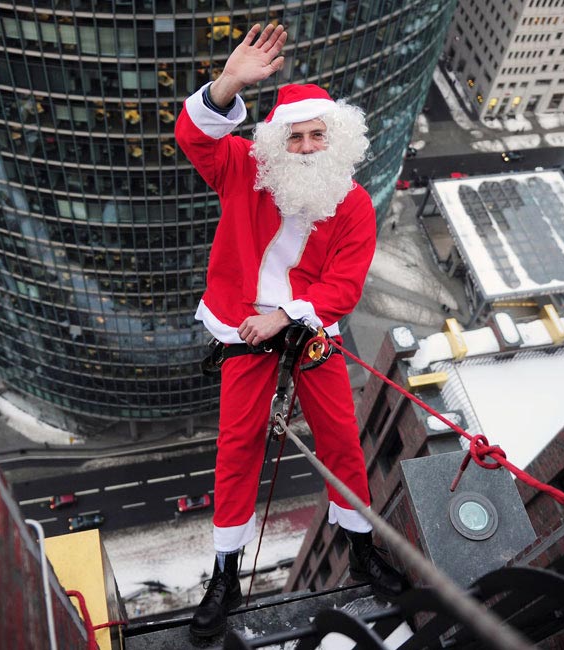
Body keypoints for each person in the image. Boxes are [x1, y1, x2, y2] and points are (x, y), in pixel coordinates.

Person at [175, 24, 407, 638]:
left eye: (315, 135)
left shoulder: (353, 203)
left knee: (340, 437)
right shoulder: (245, 170)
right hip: (242, 329)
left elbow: (344, 287)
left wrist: (287, 315)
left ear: (335, 139)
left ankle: (359, 545)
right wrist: (227, 83)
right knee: (238, 443)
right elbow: (194, 138)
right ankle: (225, 570)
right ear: (278, 141)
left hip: (301, 327)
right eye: (295, 136)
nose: (305, 147)